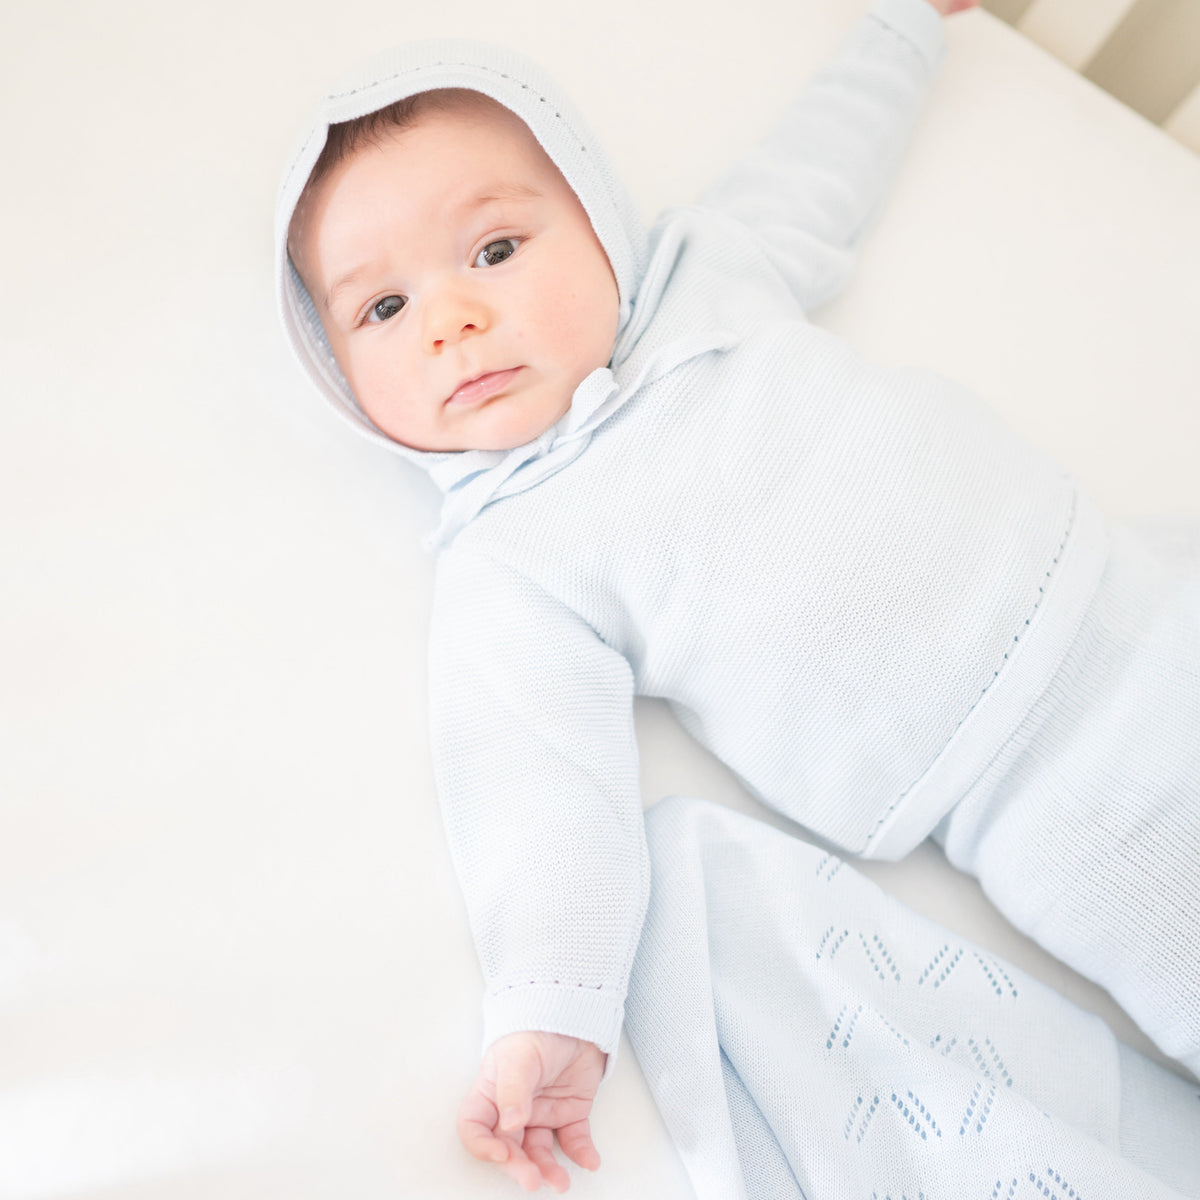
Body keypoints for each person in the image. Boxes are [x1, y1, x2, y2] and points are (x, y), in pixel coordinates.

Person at [274, 0, 1199, 1191]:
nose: (453, 319)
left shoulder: (708, 276)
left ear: (599, 222)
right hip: (1032, 800)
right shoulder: (513, 557)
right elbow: (538, 795)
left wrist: (907, 30)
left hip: (1133, 590)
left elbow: (827, 161)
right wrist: (553, 1013)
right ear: (340, 378)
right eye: (382, 309)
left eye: (495, 249)